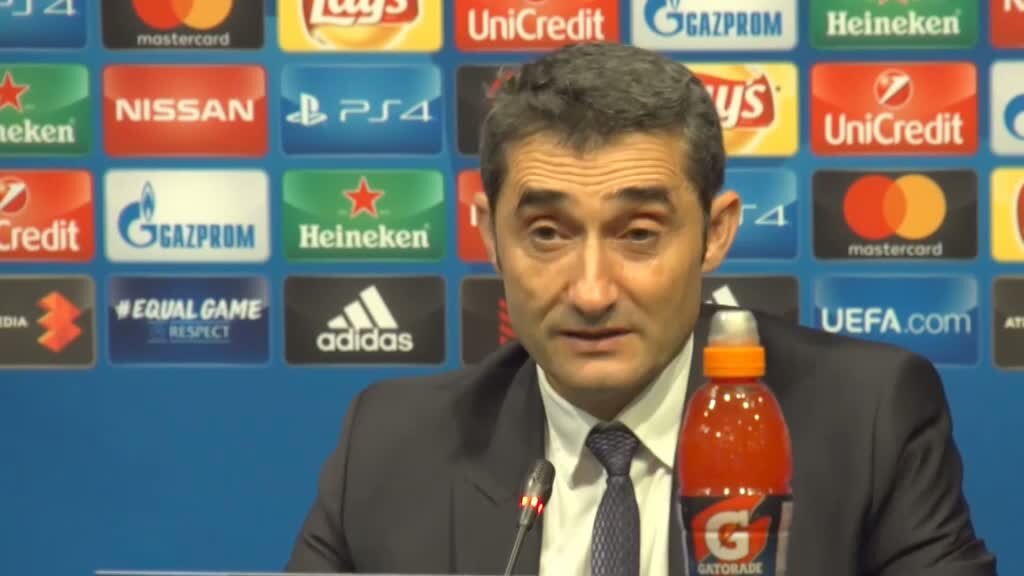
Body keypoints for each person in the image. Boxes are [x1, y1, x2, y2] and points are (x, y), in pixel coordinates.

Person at [284, 43, 997, 576]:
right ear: (488, 236)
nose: (591, 291)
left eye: (639, 235)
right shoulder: (391, 446)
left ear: (715, 233)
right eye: (547, 234)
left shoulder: (863, 420)